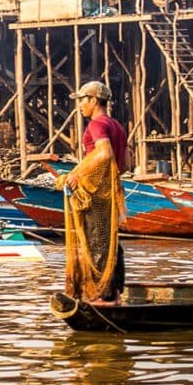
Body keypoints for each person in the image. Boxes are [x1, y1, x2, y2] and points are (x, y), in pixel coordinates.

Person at [56, 80, 128, 306]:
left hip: (96, 195)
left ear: (94, 100)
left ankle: (100, 296)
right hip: (110, 194)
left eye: (82, 100)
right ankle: (115, 293)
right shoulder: (117, 126)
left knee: (97, 243)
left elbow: (105, 153)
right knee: (110, 242)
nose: (79, 106)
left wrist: (76, 174)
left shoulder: (97, 124)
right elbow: (125, 164)